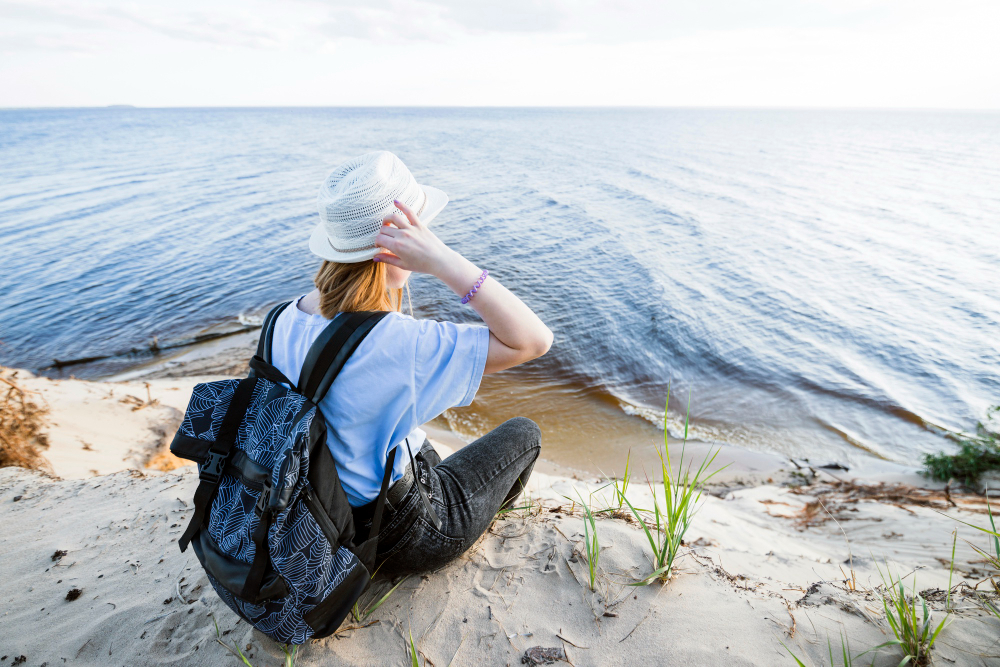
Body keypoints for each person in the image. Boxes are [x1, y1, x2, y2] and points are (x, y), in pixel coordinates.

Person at [268, 151, 553, 576]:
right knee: (524, 434)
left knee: (415, 439)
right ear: (402, 246)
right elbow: (533, 340)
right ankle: (482, 529)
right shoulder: (399, 343)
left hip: (316, 512)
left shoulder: (281, 319)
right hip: (399, 535)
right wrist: (443, 261)